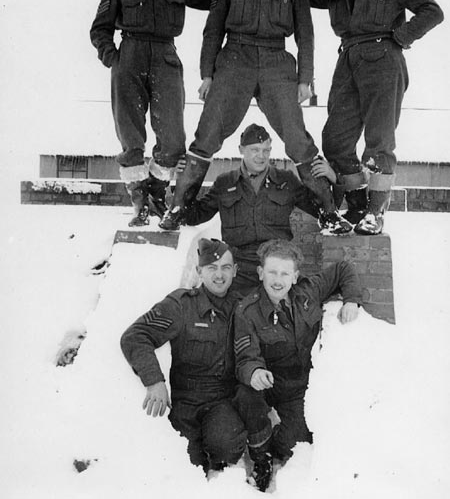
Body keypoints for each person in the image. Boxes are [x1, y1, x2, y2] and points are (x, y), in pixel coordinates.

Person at [159, 0, 352, 236]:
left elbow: (305, 33)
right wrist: (207, 74)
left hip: (277, 60)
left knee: (296, 138)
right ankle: (177, 208)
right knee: (207, 134)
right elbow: (213, 29)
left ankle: (328, 212)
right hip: (235, 58)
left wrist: (306, 78)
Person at [90, 0, 247, 226]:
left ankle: (156, 192)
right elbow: (100, 28)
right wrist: (115, 61)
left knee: (173, 138)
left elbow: (208, 0)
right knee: (131, 136)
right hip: (130, 58)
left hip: (165, 57)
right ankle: (141, 204)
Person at [306, 0, 444, 235]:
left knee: (379, 142)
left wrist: (400, 37)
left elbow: (432, 11)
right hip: (348, 62)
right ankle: (357, 203)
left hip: (384, 61)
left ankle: (374, 212)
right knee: (336, 139)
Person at [233, 239, 361, 491]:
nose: (277, 280)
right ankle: (260, 458)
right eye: (272, 272)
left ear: (295, 277)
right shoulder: (247, 310)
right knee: (244, 394)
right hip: (268, 387)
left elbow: (344, 268)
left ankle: (277, 439)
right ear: (261, 273)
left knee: (297, 443)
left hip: (299, 390)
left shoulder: (307, 292)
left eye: (284, 273)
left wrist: (351, 300)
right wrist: (255, 371)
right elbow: (245, 356)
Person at [120, 238, 246, 474]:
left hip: (222, 400)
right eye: (211, 268)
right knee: (182, 465)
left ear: (235, 270)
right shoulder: (180, 305)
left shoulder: (242, 307)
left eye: (225, 268)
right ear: (199, 271)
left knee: (226, 445)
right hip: (185, 401)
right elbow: (135, 336)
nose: (219, 275)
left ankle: (220, 472)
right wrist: (154, 381)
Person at [183, 123, 338, 294]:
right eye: (255, 150)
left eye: (266, 150)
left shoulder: (286, 180)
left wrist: (333, 178)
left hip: (277, 264)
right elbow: (194, 216)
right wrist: (182, 179)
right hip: (240, 270)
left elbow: (322, 211)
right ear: (241, 149)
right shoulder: (225, 183)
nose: (261, 156)